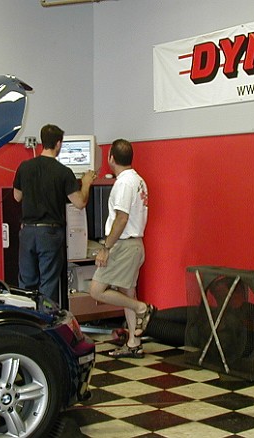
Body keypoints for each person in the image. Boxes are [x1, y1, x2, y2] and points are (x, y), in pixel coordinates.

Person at [13, 124, 96, 303]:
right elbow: (80, 202)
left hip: (27, 232)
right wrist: (87, 182)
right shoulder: (63, 172)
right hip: (49, 233)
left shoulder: (25, 167)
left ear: (43, 142)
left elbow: (17, 196)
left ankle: (27, 323)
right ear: (58, 144)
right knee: (48, 284)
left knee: (26, 283)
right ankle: (46, 324)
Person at [89, 138, 156, 358]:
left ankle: (142, 309)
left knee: (96, 290)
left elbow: (121, 218)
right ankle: (134, 342)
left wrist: (106, 247)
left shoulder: (124, 183)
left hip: (124, 245)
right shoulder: (138, 181)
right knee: (127, 291)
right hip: (134, 245)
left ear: (111, 158)